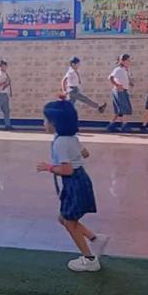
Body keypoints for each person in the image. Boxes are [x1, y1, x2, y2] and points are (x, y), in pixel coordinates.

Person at [36, 100, 110, 272]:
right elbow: (86, 153)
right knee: (64, 218)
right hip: (79, 180)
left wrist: (48, 167)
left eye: (45, 120)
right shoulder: (70, 138)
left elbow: (67, 170)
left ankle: (90, 259)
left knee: (69, 222)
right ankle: (95, 239)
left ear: (55, 123)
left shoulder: (61, 142)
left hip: (74, 183)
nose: (43, 123)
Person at [106, 54, 134, 133]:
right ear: (123, 61)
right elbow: (110, 78)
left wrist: (129, 83)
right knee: (124, 109)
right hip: (119, 92)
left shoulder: (125, 70)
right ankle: (124, 126)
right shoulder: (118, 69)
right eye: (128, 60)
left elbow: (124, 78)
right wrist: (117, 85)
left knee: (119, 110)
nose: (129, 62)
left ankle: (111, 126)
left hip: (123, 91)